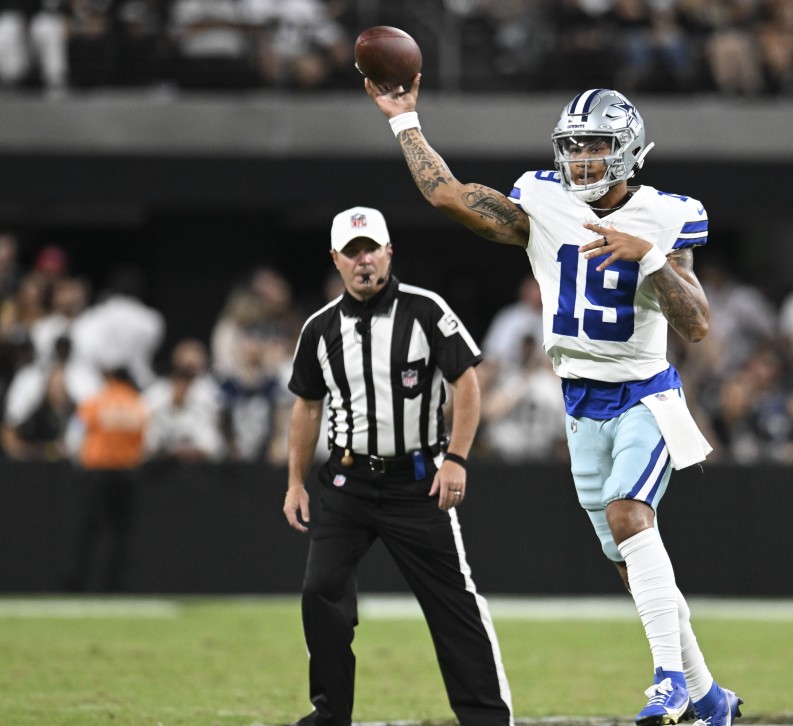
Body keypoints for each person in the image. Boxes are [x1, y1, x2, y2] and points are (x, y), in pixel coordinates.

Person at [366, 79, 743, 726]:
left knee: (631, 516)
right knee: (628, 556)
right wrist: (406, 122)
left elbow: (699, 324)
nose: (583, 160)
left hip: (646, 395)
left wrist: (651, 257)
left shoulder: (665, 213)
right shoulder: (542, 199)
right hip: (579, 403)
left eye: (597, 146)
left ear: (628, 150)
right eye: (574, 147)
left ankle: (669, 681)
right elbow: (449, 196)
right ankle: (710, 696)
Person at [282, 206, 512, 726]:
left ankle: (486, 720)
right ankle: (330, 714)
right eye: (352, 252)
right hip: (346, 482)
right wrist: (295, 482)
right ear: (336, 259)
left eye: (371, 249)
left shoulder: (426, 311)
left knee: (453, 606)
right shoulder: (319, 329)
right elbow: (307, 406)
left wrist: (455, 459)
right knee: (321, 594)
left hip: (416, 481)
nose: (363, 261)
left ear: (389, 252)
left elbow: (467, 382)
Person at [62, 366, 149, 592]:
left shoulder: (95, 401)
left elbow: (74, 435)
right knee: (121, 534)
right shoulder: (137, 404)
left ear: (110, 378)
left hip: (97, 472)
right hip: (128, 474)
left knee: (87, 530)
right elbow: (149, 443)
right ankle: (113, 586)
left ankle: (77, 584)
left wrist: (78, 462)